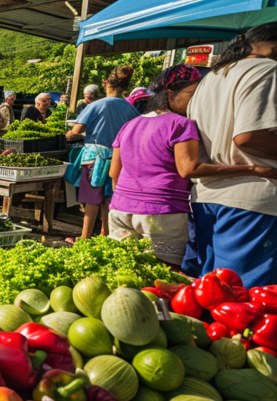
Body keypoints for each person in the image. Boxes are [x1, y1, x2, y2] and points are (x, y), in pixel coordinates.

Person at [108, 64, 274, 267]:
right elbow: (188, 169)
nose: (197, 100)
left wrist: (126, 200)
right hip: (161, 213)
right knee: (163, 279)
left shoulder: (130, 124)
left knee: (123, 274)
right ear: (170, 93)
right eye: (192, 94)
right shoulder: (180, 124)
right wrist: (253, 169)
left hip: (119, 209)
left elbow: (114, 172)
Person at [187, 24, 277, 287]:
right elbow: (248, 137)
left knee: (210, 293)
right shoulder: (267, 69)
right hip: (252, 200)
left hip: (209, 197)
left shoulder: (213, 76)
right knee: (245, 301)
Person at [65, 66, 140, 240]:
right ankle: (105, 233)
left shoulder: (97, 105)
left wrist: (68, 134)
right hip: (118, 158)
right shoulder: (130, 108)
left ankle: (84, 238)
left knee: (91, 198)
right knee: (108, 197)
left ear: (105, 83)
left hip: (95, 157)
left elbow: (77, 129)